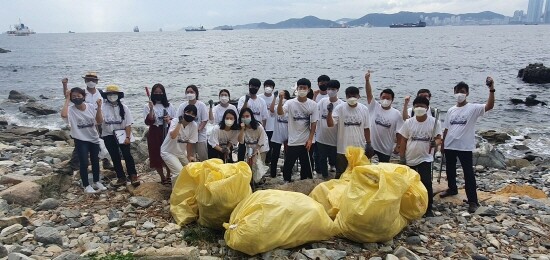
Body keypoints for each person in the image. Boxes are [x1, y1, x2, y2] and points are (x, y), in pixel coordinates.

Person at [440, 78, 495, 213]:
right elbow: (446, 128)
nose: (460, 94)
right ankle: (452, 189)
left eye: (462, 92)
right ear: (454, 92)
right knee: (450, 170)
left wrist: (491, 89)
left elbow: (489, 106)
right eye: (457, 91)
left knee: (468, 174)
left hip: (464, 147)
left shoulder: (473, 108)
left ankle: (472, 201)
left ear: (467, 93)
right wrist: (442, 143)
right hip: (450, 145)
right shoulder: (451, 110)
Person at [398, 96, 442, 217]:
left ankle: (428, 208)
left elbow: (439, 138)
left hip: (425, 157)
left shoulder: (434, 122)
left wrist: (435, 143)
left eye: (422, 106)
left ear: (427, 108)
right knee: (409, 184)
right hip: (410, 157)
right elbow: (403, 141)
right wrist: (402, 157)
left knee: (426, 182)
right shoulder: (409, 122)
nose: (419, 108)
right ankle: (409, 206)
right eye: (417, 106)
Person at [62, 73, 113, 171]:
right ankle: (73, 164)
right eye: (88, 80)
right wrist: (64, 85)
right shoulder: (81, 93)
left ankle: (106, 161)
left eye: (93, 80)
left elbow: (107, 105)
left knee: (102, 141)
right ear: (85, 81)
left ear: (97, 81)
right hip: (83, 121)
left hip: (99, 120)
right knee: (80, 142)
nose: (91, 82)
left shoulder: (100, 93)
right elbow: (68, 96)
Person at [61, 87, 106, 194]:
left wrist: (99, 107)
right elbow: (63, 115)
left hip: (93, 138)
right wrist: (67, 99)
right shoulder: (71, 110)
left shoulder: (90, 107)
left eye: (79, 96)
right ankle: (86, 185)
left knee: (95, 161)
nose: (77, 98)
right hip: (80, 139)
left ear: (83, 96)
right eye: (74, 97)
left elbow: (99, 121)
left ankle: (96, 181)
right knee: (84, 162)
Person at [277, 78, 318, 182]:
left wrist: (310, 139)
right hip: (293, 140)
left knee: (307, 165)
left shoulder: (313, 104)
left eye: (304, 88)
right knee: (288, 164)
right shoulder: (290, 103)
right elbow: (280, 113)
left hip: (307, 141)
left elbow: (313, 123)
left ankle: (305, 182)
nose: (302, 90)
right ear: (297, 89)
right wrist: (281, 99)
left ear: (308, 89)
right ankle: (287, 181)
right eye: (300, 88)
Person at [327, 86, 373, 178]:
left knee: (359, 173)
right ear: (346, 97)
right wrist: (329, 113)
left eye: (354, 96)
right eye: (349, 96)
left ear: (358, 96)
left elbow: (366, 128)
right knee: (341, 173)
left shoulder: (364, 109)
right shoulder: (339, 108)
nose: (352, 98)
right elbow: (330, 124)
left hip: (359, 148)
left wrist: (368, 143)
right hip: (342, 148)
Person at [100, 85, 140, 187]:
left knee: (127, 155)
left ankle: (133, 175)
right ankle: (121, 177)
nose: (112, 96)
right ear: (106, 95)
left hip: (122, 134)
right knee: (115, 157)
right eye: (109, 94)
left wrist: (127, 137)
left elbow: (128, 123)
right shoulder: (102, 107)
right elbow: (98, 121)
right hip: (108, 135)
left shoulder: (124, 107)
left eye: (114, 94)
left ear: (118, 95)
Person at [364, 70, 404, 162]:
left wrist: (398, 146)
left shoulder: (396, 114)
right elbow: (368, 93)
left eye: (388, 98)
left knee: (383, 168)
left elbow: (399, 133)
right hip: (371, 145)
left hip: (386, 148)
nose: (385, 100)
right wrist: (367, 81)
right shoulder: (374, 106)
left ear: (392, 100)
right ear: (380, 97)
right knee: (364, 163)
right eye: (383, 97)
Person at [144, 83, 177, 186]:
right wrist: (151, 110)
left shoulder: (169, 105)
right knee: (155, 154)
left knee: (168, 153)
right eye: (156, 92)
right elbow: (148, 122)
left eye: (160, 92)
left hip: (167, 130)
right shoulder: (148, 106)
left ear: (163, 93)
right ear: (153, 93)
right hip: (154, 131)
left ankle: (168, 175)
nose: (158, 94)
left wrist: (168, 119)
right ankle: (162, 177)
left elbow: (175, 120)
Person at [161, 105, 198, 181]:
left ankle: (189, 188)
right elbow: (173, 136)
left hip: (181, 152)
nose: (190, 115)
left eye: (193, 114)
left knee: (191, 170)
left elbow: (190, 142)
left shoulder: (194, 125)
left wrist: (189, 156)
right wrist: (179, 123)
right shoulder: (175, 121)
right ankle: (176, 191)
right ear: (184, 112)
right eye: (188, 113)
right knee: (179, 172)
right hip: (168, 152)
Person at [315, 80, 343, 179]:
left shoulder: (341, 105)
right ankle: (324, 176)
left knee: (335, 158)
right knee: (322, 158)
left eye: (333, 89)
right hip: (321, 136)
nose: (330, 91)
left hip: (334, 138)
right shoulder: (322, 101)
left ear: (338, 90)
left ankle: (335, 173)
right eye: (329, 89)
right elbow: (314, 111)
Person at [237, 78, 269, 161]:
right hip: (245, 129)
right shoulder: (242, 99)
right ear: (249, 86)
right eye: (252, 86)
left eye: (256, 87)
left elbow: (264, 117)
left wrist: (263, 129)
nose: (253, 88)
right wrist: (246, 101)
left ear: (258, 88)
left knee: (257, 155)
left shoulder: (261, 101)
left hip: (256, 129)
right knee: (242, 150)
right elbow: (241, 112)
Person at [177, 85, 208, 161]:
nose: (189, 94)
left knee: (203, 155)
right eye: (187, 92)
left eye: (191, 92)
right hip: (187, 135)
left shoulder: (201, 105)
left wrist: (198, 130)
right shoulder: (182, 106)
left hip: (200, 134)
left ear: (196, 93)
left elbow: (204, 120)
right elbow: (178, 118)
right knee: (190, 155)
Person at [269, 90, 290, 178]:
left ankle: (287, 173)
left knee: (288, 155)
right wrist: (275, 97)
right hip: (277, 135)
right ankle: (273, 174)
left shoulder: (290, 106)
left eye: (284, 96)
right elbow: (271, 110)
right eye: (281, 96)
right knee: (275, 155)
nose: (282, 98)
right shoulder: (278, 106)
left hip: (288, 134)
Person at [259, 80, 276, 164]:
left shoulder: (276, 98)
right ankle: (262, 160)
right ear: (264, 87)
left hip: (273, 126)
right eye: (267, 86)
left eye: (270, 86)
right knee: (263, 144)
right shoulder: (259, 97)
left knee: (271, 145)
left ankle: (269, 160)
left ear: (273, 88)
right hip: (262, 126)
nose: (268, 88)